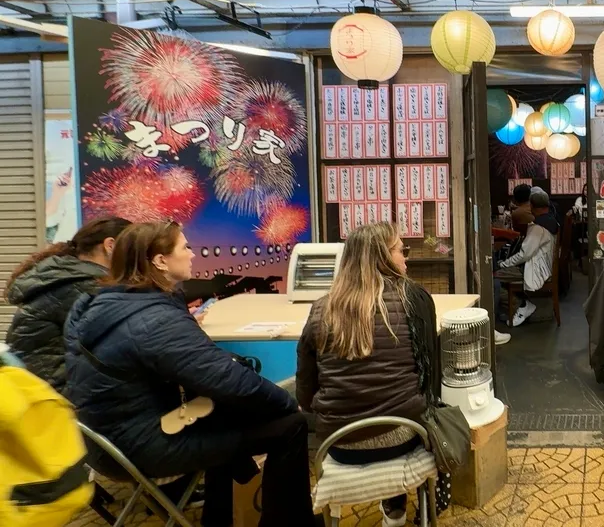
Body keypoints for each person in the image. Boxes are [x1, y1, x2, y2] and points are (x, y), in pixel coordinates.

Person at [64, 221, 320, 527]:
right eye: (184, 247)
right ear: (160, 261)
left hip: (104, 442)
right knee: (289, 425)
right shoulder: (153, 318)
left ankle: (221, 518)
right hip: (141, 445)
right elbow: (226, 379)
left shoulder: (104, 304)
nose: (192, 255)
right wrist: (287, 403)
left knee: (227, 414)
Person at [296, 222, 447, 526]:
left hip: (339, 446)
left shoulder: (321, 309)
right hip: (403, 436)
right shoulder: (415, 300)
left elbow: (306, 397)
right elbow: (429, 378)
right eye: (401, 251)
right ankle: (401, 510)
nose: (406, 258)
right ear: (383, 257)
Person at [5, 216, 131, 393]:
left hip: (36, 386)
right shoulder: (83, 286)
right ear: (110, 245)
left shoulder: (66, 275)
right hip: (57, 393)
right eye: (134, 249)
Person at [494, 190, 559, 327]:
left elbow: (524, 254)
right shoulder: (552, 221)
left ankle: (521, 305)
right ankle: (513, 308)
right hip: (544, 266)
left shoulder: (538, 228)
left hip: (534, 268)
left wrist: (504, 264)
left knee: (494, 278)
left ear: (532, 206)